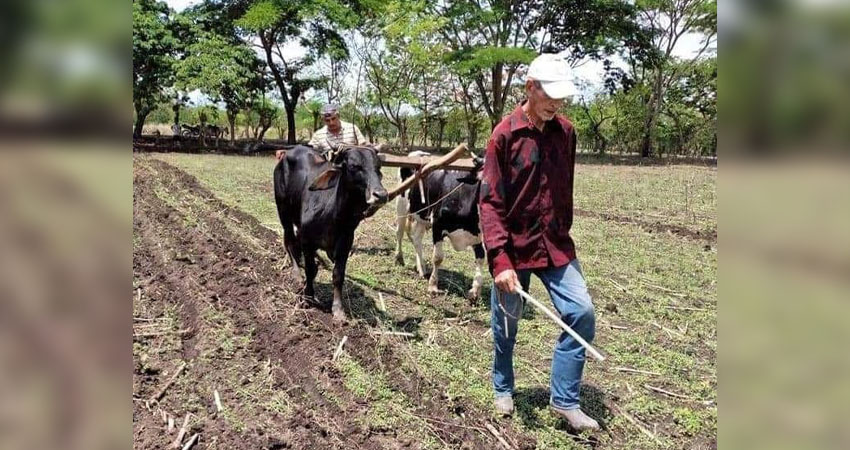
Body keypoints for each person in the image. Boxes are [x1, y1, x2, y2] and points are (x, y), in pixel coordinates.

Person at [478, 53, 599, 431]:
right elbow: (490, 200)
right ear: (530, 87)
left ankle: (565, 400)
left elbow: (565, 188)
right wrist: (499, 259)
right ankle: (503, 386)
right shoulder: (505, 135)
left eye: (562, 98)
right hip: (514, 247)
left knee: (581, 313)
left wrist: (562, 224)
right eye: (550, 95)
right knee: (507, 324)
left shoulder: (566, 133)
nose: (556, 104)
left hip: (556, 243)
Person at [276, 104, 368, 161]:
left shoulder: (352, 128)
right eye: (327, 120)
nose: (331, 123)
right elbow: (307, 150)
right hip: (329, 171)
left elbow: (364, 147)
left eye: (333, 119)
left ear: (338, 116)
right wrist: (287, 151)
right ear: (323, 120)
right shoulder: (319, 134)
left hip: (352, 171)